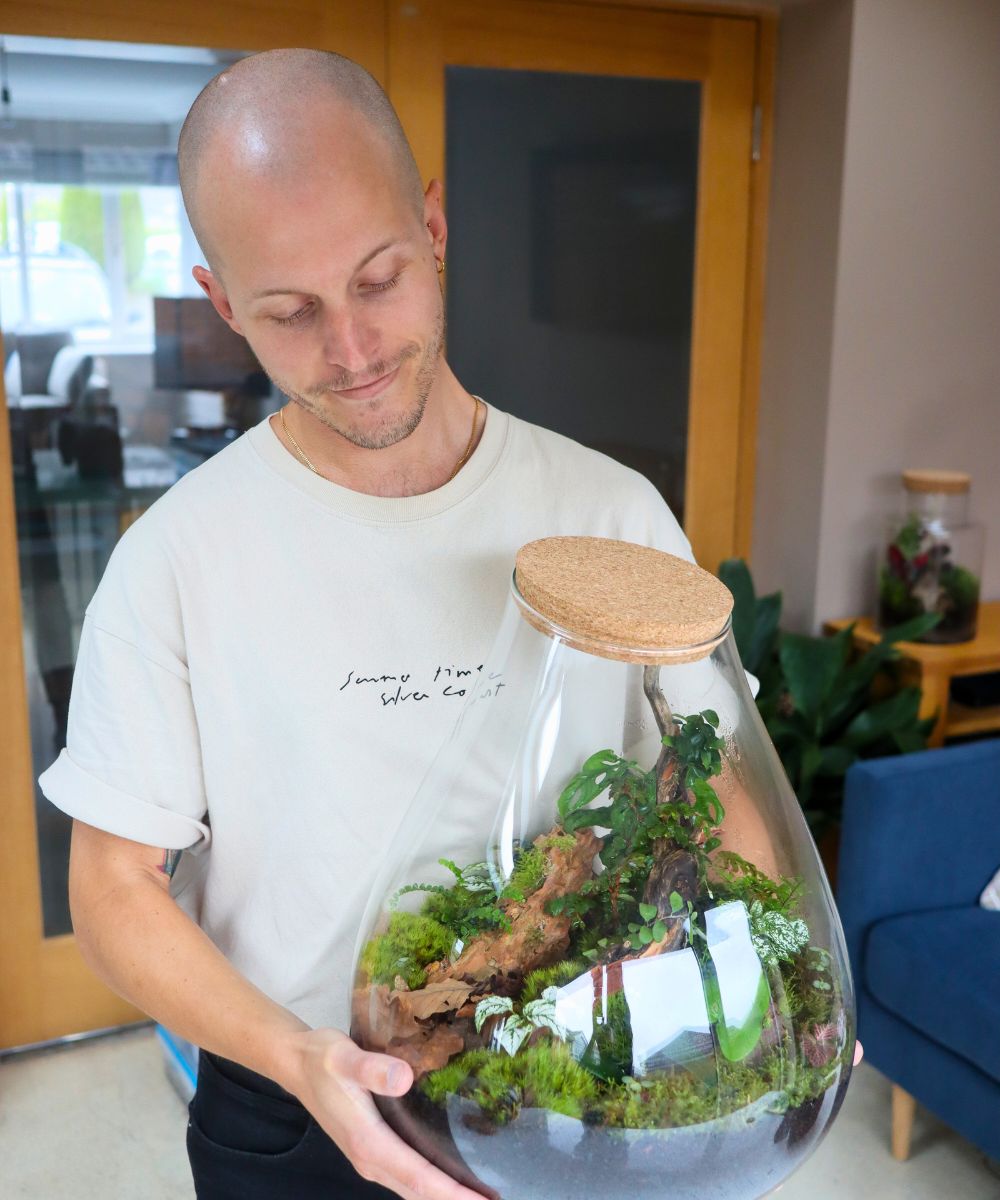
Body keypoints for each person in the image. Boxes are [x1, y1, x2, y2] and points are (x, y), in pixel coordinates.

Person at [38, 47, 860, 1200]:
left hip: (576, 1086)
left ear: (433, 226)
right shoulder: (174, 557)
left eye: (377, 281)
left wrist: (759, 1000)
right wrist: (299, 1059)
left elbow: (717, 775)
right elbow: (113, 887)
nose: (354, 350)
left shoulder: (608, 511)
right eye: (289, 312)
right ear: (223, 302)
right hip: (295, 1113)